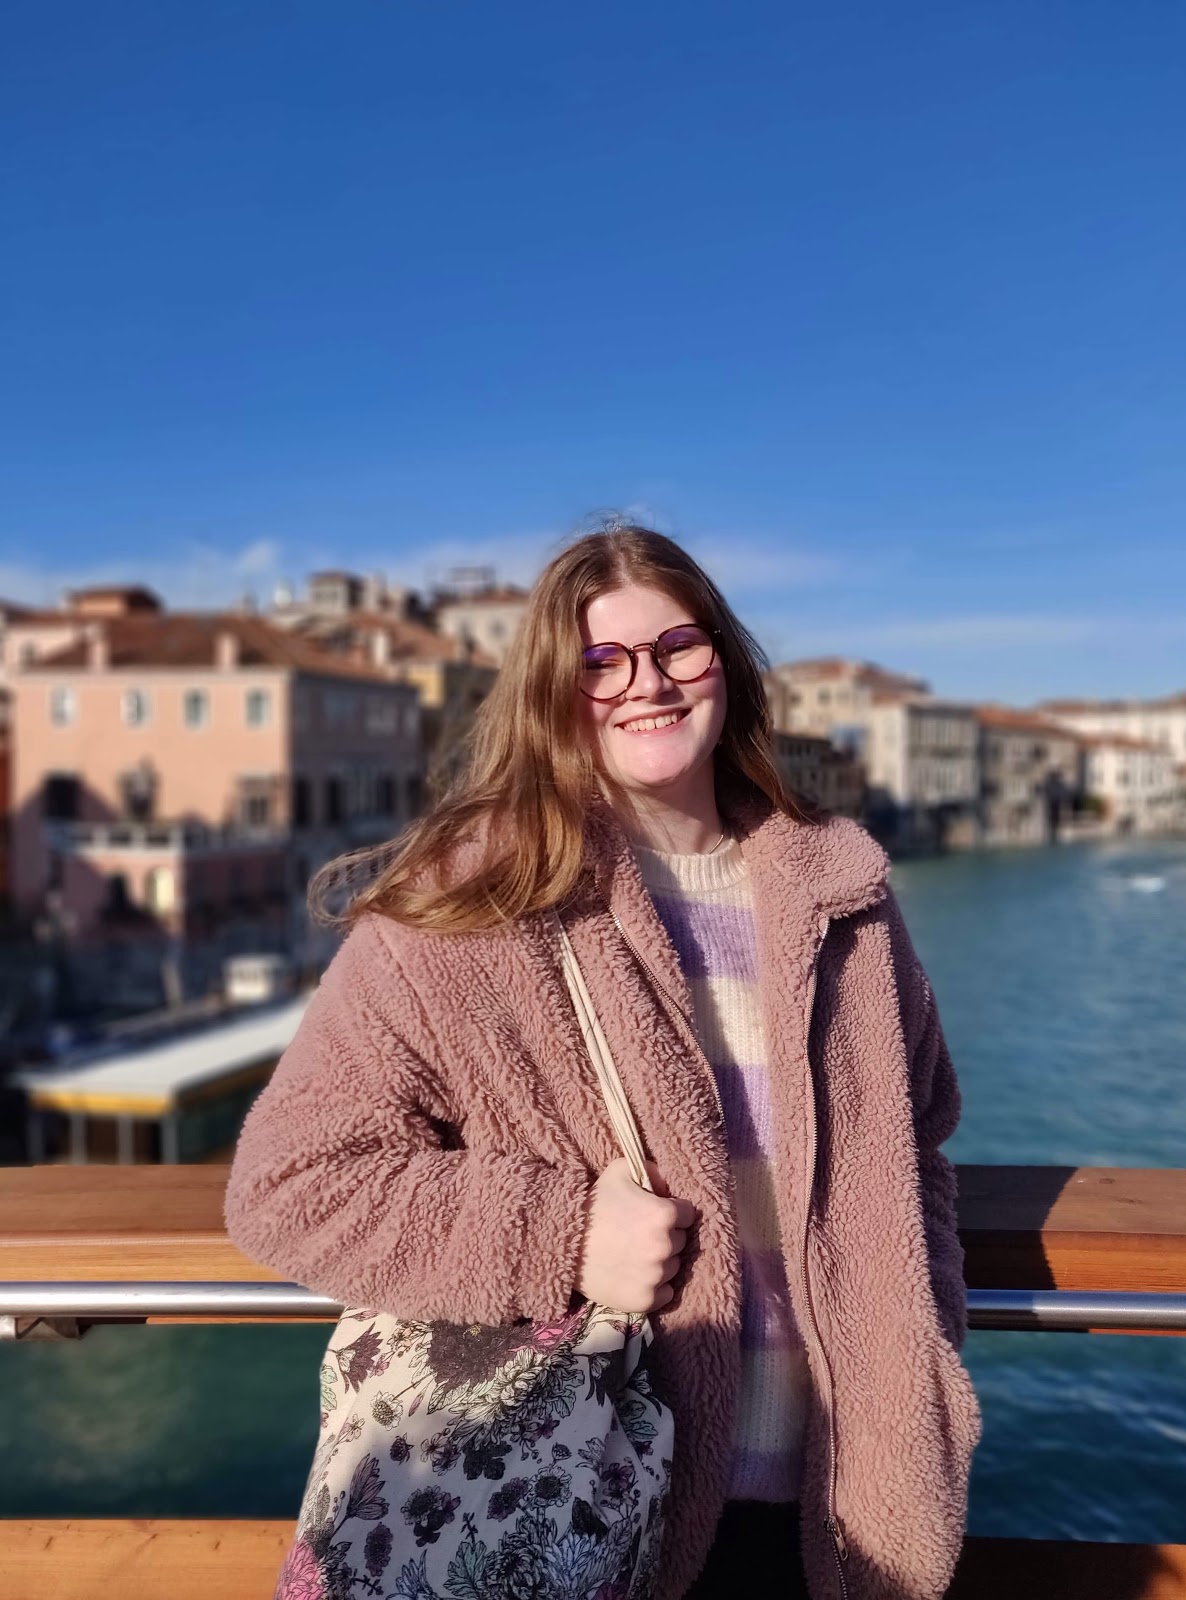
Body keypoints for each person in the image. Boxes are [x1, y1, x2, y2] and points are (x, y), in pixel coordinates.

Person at [224, 523, 981, 1600]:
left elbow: (921, 1149)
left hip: (850, 1509)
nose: (647, 684)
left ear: (725, 662)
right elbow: (289, 1183)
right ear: (551, 690)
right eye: (600, 662)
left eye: (678, 647)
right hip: (586, 1503)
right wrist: (564, 1233)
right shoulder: (472, 904)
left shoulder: (844, 900)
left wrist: (923, 1358)